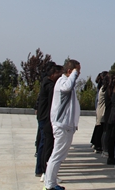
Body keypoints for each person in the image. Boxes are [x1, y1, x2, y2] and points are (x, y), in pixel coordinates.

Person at [43, 59, 81, 190]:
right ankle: (49, 184)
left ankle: (51, 182)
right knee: (57, 156)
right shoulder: (63, 82)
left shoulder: (65, 82)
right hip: (62, 125)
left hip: (66, 126)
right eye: (77, 71)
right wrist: (74, 73)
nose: (78, 74)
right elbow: (67, 87)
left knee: (59, 156)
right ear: (70, 71)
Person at [38, 64, 64, 184]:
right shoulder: (50, 86)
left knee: (44, 145)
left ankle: (43, 171)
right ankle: (46, 172)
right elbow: (52, 104)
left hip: (44, 117)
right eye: (59, 74)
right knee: (47, 146)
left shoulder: (45, 82)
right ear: (53, 74)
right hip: (47, 118)